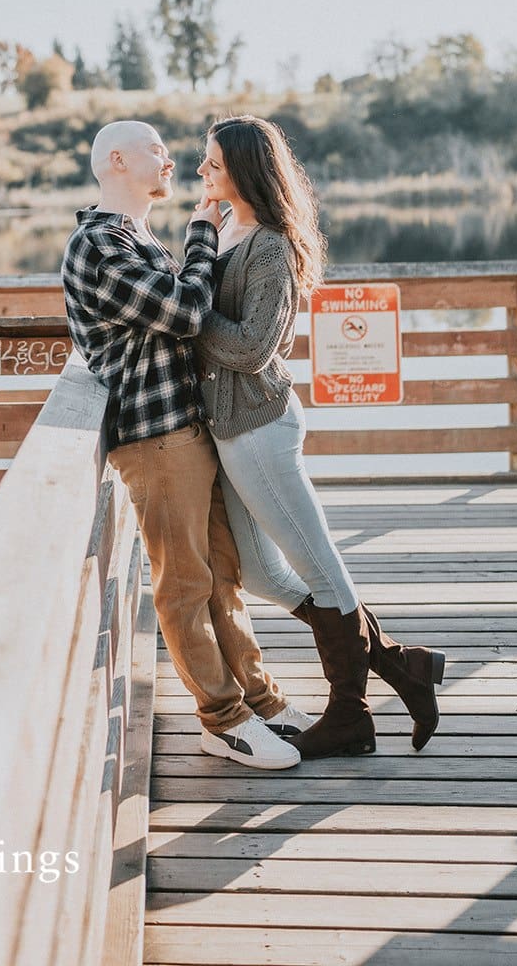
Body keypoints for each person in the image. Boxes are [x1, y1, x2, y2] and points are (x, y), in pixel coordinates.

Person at [61, 119, 314, 770]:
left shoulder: (136, 234)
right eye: (155, 149)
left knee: (222, 575)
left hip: (185, 426)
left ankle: (261, 700)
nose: (170, 159)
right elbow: (185, 313)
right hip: (152, 436)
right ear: (117, 160)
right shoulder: (98, 243)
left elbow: (182, 310)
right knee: (183, 586)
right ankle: (220, 719)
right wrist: (202, 232)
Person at [194, 115, 446, 758]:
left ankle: (349, 713)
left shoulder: (273, 246)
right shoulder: (227, 227)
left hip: (259, 429)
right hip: (229, 431)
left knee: (321, 572)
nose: (202, 172)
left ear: (246, 171)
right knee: (258, 573)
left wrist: (188, 319)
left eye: (213, 164)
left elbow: (252, 348)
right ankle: (395, 661)